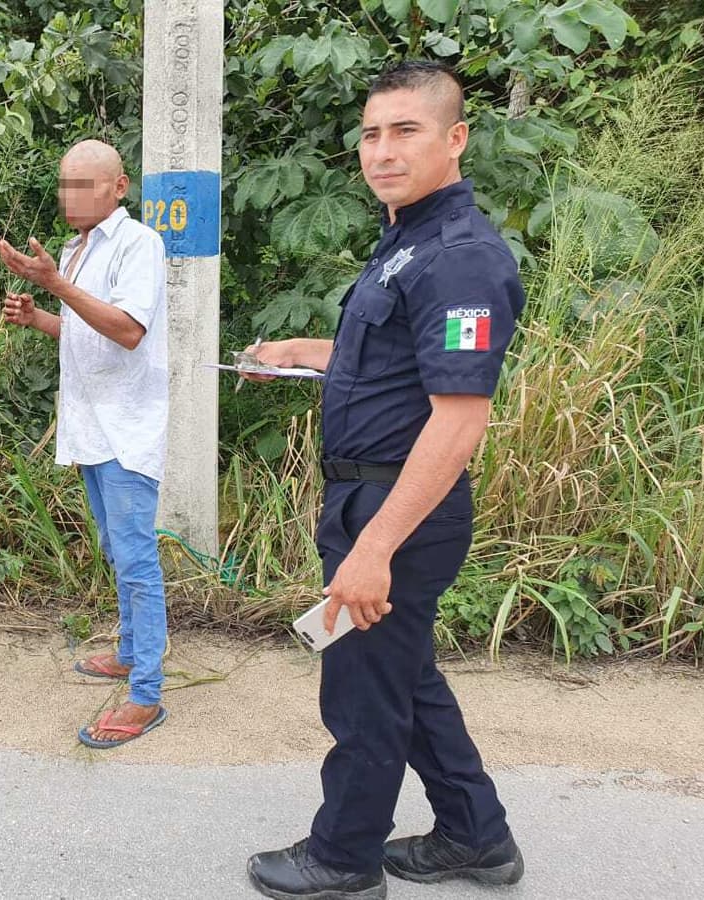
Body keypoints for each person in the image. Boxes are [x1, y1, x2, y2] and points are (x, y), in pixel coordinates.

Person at [244, 62, 526, 899]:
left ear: (455, 138)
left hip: (399, 510)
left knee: (365, 688)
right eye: (371, 134)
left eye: (406, 130)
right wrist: (302, 353)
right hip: (369, 497)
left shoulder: (462, 258)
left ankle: (344, 858)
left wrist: (374, 548)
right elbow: (391, 362)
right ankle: (477, 837)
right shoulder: (407, 242)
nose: (382, 150)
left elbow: (458, 419)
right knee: (402, 673)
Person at [0, 139, 170, 750]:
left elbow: (128, 330)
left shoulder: (139, 243)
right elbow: (85, 330)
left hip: (127, 430)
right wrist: (36, 315)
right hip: (91, 428)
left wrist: (54, 285)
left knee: (137, 560)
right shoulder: (75, 248)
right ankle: (129, 653)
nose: (70, 197)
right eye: (64, 185)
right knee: (116, 549)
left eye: (84, 186)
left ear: (118, 188)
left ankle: (146, 693)